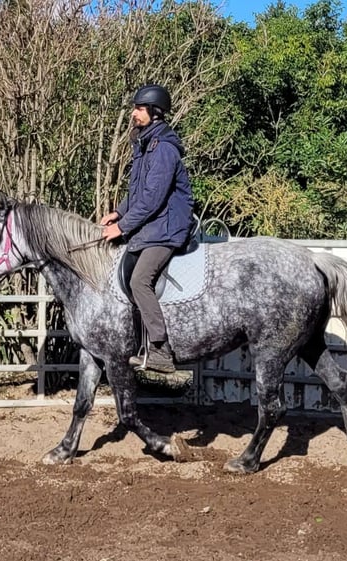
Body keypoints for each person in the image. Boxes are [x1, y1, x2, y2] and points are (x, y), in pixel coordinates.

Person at [101, 84, 195, 373]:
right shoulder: (145, 145)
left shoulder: (164, 150)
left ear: (155, 113)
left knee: (139, 280)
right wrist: (118, 212)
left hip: (167, 227)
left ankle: (161, 350)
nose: (133, 113)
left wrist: (122, 227)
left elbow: (153, 199)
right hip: (153, 225)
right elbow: (138, 192)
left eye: (139, 109)